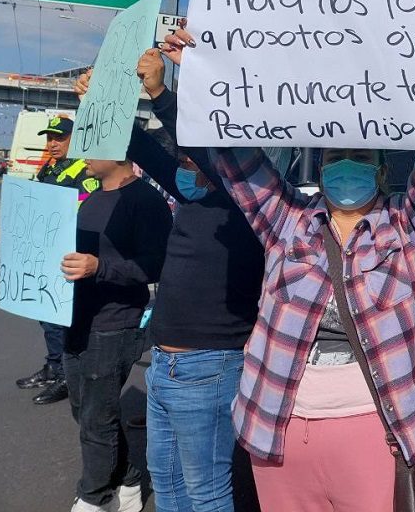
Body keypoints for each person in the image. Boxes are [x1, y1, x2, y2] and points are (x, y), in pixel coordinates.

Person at [161, 24, 415, 512]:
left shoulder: (407, 228)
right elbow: (236, 159)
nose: (345, 167)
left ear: (379, 171)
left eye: (359, 158)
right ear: (320, 167)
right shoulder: (287, 222)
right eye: (334, 158)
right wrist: (203, 76)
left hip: (380, 434)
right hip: (280, 435)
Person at [75, 53, 267, 512]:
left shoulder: (242, 203)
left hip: (209, 366)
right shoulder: (192, 194)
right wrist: (103, 101)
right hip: (165, 362)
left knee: (205, 489)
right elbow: (140, 148)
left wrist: (161, 94)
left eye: (190, 154)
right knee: (168, 482)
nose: (181, 162)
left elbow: (204, 147)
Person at [63, 157, 172, 512]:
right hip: (75, 318)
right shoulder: (91, 199)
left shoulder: (146, 201)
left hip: (115, 323)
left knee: (97, 417)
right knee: (85, 409)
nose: (84, 156)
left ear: (118, 151)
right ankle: (129, 476)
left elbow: (157, 264)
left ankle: (93, 496)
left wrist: (100, 267)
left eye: (93, 147)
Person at [15, 115, 99, 405]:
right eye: (49, 138)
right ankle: (53, 365)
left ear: (74, 139)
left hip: (68, 256)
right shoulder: (51, 168)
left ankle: (65, 375)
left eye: (59, 137)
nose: (52, 143)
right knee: (45, 314)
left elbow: (83, 210)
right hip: (44, 254)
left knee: (60, 318)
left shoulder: (82, 170)